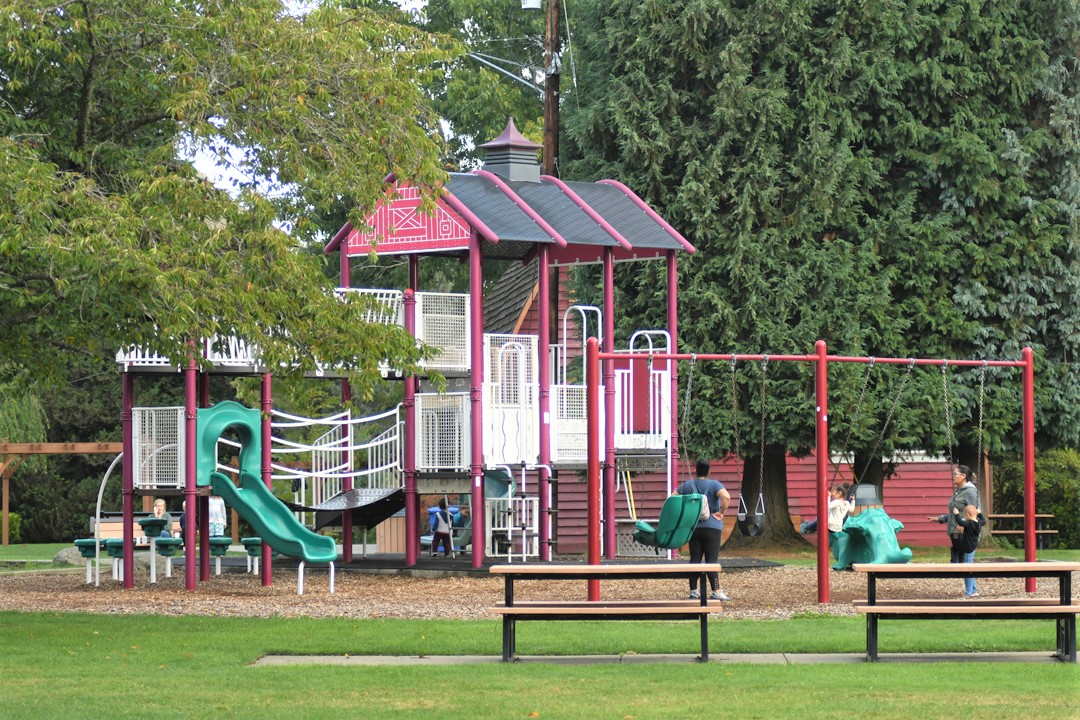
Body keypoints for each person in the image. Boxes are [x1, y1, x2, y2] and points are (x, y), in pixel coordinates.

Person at [676, 459, 732, 601]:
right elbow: (726, 497)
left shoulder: (687, 485)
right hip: (712, 527)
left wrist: (684, 514)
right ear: (709, 471)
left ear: (696, 471)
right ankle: (716, 591)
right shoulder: (714, 484)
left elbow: (672, 498)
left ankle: (694, 590)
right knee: (711, 561)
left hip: (694, 526)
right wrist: (721, 512)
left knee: (694, 559)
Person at [928, 464, 981, 593]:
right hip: (957, 533)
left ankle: (969, 593)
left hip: (967, 534)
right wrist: (941, 519)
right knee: (965, 563)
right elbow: (955, 512)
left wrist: (963, 523)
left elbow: (975, 513)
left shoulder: (971, 492)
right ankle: (973, 590)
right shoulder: (959, 491)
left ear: (963, 476)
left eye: (955, 474)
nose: (953, 476)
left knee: (967, 564)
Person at [953, 504, 987, 597]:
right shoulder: (979, 522)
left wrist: (956, 514)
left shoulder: (969, 523)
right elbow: (984, 520)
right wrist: (979, 513)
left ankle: (968, 592)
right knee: (970, 568)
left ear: (967, 515)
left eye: (965, 516)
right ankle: (974, 590)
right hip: (973, 547)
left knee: (967, 569)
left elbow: (960, 522)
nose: (964, 518)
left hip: (968, 549)